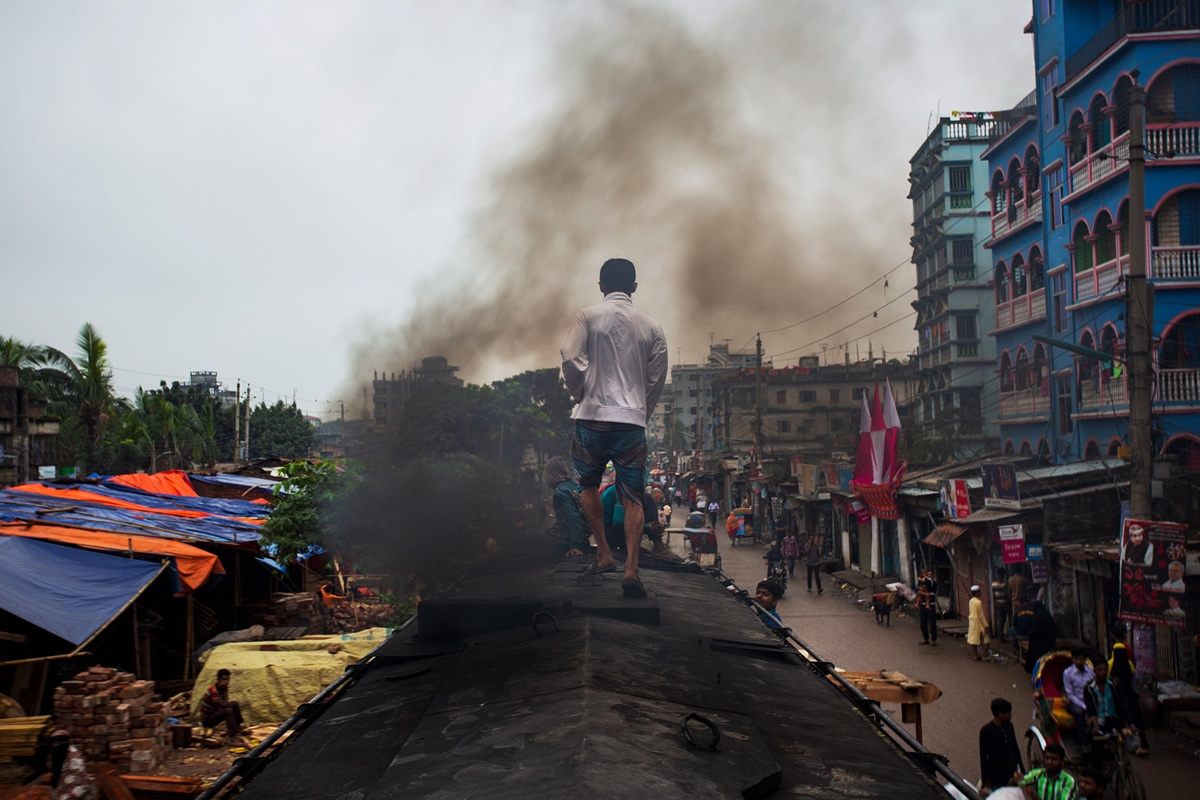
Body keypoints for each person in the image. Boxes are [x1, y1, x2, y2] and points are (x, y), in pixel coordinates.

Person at [561, 258, 668, 599]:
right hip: (631, 423)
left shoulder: (587, 316)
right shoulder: (652, 327)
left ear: (601, 286)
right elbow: (656, 379)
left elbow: (569, 356)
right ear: (634, 287)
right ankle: (631, 569)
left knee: (588, 485)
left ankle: (605, 554)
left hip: (591, 418)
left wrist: (583, 395)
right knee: (633, 497)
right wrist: (641, 411)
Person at [1083, 658, 1134, 772]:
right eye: (1100, 670)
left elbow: (1123, 704)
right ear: (1094, 671)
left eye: (1105, 670)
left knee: (1122, 745)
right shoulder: (1089, 689)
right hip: (1098, 723)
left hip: (1114, 720)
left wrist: (1130, 724)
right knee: (1097, 754)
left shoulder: (1115, 685)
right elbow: (1091, 710)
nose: (1103, 672)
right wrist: (1095, 726)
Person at [1108, 641, 1150, 756]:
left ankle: (1132, 744)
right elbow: (1133, 683)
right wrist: (1136, 695)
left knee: (1128, 721)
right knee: (1134, 720)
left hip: (1118, 697)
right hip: (1129, 696)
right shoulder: (1130, 664)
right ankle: (1139, 744)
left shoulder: (1110, 664)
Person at [543, 456, 589, 558]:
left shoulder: (561, 493)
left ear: (551, 474)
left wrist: (574, 545)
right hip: (585, 534)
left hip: (571, 537)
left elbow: (573, 518)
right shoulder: (572, 485)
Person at [978, 697, 1024, 794]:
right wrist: (986, 780)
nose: (1010, 715)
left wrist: (1022, 770)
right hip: (996, 775)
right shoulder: (986, 731)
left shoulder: (1009, 726)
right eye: (1007, 713)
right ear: (1000, 714)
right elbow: (983, 757)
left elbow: (1015, 748)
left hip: (1011, 771)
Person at [199, 668, 246, 745]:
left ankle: (238, 727)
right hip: (207, 719)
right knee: (228, 711)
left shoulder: (221, 688)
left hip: (215, 712)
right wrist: (226, 690)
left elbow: (225, 703)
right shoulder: (214, 691)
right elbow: (223, 706)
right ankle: (233, 738)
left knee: (234, 703)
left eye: (227, 679)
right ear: (218, 679)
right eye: (224, 679)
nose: (226, 682)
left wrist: (225, 689)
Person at [45, 729, 96, 800]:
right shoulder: (56, 756)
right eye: (54, 744)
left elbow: (81, 782)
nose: (56, 746)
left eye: (59, 743)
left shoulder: (74, 757)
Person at [1062, 650, 1094, 758]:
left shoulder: (1090, 671)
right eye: (1077, 659)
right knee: (1080, 713)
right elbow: (1070, 694)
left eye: (1082, 659)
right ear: (1073, 659)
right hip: (1074, 702)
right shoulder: (1067, 673)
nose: (1080, 661)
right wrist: (1084, 706)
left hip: (1089, 701)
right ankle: (1084, 743)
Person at [968, 585, 991, 660]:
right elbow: (981, 616)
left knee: (974, 640)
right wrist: (986, 625)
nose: (980, 593)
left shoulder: (971, 601)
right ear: (977, 593)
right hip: (979, 623)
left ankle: (975, 655)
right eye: (979, 591)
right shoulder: (979, 602)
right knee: (986, 640)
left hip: (972, 623)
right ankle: (985, 655)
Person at [916, 569, 937, 646]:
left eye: (930, 575)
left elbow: (928, 583)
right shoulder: (921, 583)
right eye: (927, 575)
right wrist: (925, 594)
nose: (929, 576)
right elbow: (917, 590)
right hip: (922, 605)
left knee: (932, 623)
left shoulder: (933, 582)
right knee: (923, 623)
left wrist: (922, 579)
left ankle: (933, 639)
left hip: (931, 605)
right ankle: (925, 638)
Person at [992, 569, 1011, 641]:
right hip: (1003, 603)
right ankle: (1002, 636)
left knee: (1000, 620)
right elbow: (1007, 593)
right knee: (1004, 619)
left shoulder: (993, 583)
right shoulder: (1002, 583)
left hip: (997, 603)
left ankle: (1001, 635)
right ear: (1002, 575)